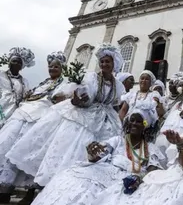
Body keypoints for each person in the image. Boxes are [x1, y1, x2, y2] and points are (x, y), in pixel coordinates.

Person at [6, 43, 126, 187]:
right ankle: (49, 186)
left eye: (108, 61)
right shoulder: (92, 77)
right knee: (69, 151)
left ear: (114, 63)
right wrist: (78, 99)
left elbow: (115, 103)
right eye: (102, 61)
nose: (104, 64)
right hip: (85, 117)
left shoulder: (118, 85)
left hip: (106, 121)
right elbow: (82, 96)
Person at [31, 101, 165, 205]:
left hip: (131, 179)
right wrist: (92, 153)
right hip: (105, 171)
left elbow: (153, 171)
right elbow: (99, 154)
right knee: (78, 185)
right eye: (132, 120)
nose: (134, 124)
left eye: (139, 121)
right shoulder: (118, 140)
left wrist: (139, 178)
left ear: (145, 125)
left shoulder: (151, 148)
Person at [0, 52, 67, 204]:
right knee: (8, 144)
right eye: (51, 66)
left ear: (62, 68)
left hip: (43, 117)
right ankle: (4, 188)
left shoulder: (64, 83)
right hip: (24, 113)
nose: (53, 69)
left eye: (56, 66)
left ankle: (29, 191)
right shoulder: (43, 82)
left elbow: (61, 99)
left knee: (29, 151)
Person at [155, 75, 183, 159]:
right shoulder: (177, 103)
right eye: (181, 86)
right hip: (169, 131)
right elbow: (167, 116)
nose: (182, 88)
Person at [0, 47, 34, 128]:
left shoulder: (24, 81)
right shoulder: (1, 75)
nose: (16, 63)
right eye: (14, 61)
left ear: (22, 66)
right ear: (10, 62)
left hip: (14, 111)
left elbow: (26, 96)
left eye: (19, 62)